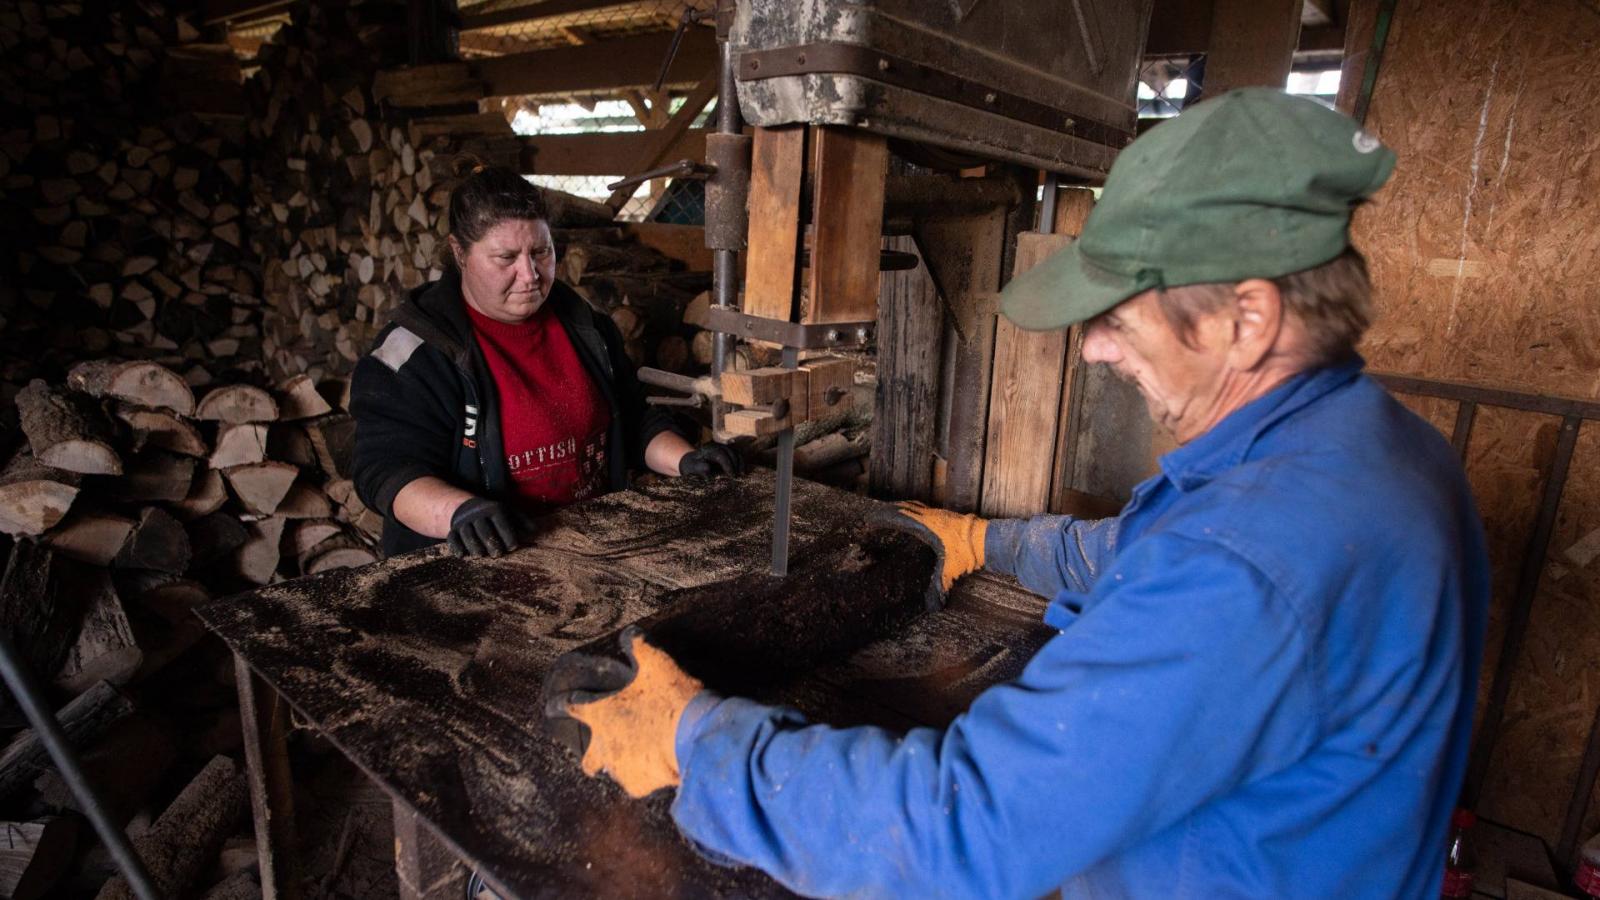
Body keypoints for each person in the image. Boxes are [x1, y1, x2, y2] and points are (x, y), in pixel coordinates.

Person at [551, 89, 1491, 897]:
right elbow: (1138, 552)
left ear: (1247, 318)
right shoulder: (1375, 448)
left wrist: (700, 744)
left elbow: (963, 829)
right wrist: (983, 542)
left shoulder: (1246, 562)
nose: (1096, 348)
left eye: (1120, 318)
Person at [350, 165, 739, 558]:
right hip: (478, 561)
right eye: (506, 258)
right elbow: (385, 468)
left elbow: (634, 418)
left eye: (541, 251)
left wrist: (686, 459)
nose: (530, 275)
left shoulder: (587, 327)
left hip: (592, 545)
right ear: (459, 253)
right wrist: (459, 512)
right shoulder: (416, 351)